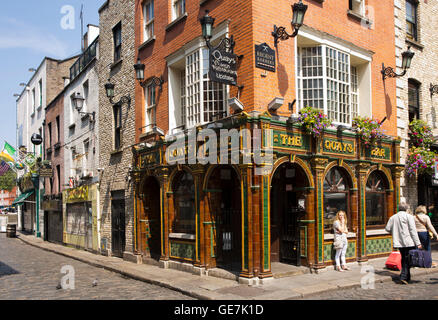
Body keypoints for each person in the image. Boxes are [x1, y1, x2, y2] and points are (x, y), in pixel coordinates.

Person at [385, 203, 422, 284]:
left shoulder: (393, 217)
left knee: (405, 258)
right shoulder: (409, 217)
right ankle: (403, 276)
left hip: (399, 242)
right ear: (407, 209)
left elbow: (387, 228)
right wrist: (418, 243)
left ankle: (407, 277)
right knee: (406, 259)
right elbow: (413, 230)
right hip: (409, 241)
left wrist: (395, 232)